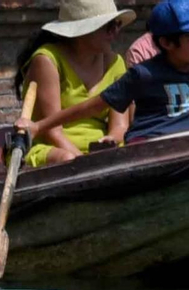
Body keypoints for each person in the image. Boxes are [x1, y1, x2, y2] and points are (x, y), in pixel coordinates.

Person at [20, 0, 189, 145]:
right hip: (147, 146)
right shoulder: (144, 72)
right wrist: (38, 126)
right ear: (167, 44)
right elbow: (94, 106)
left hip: (178, 145)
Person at [12, 0, 135, 166]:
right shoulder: (47, 60)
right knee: (66, 159)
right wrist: (86, 164)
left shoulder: (116, 63)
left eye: (117, 25)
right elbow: (52, 132)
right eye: (108, 26)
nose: (115, 32)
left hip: (99, 156)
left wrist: (111, 139)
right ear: (83, 30)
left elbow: (120, 126)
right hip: (53, 149)